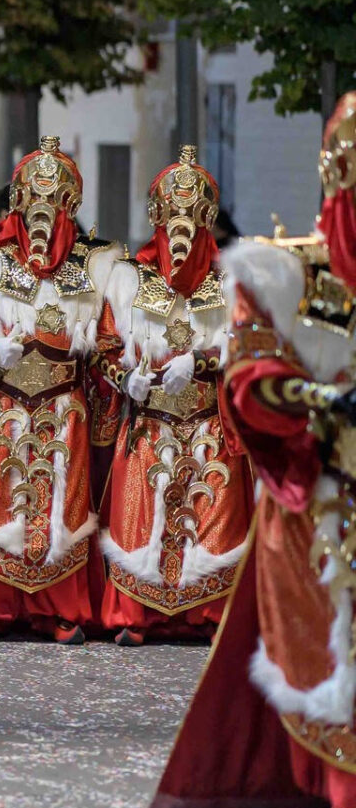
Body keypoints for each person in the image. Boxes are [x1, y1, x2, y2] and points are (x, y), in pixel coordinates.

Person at [138, 92, 356, 808]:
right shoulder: (284, 272)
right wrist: (322, 399)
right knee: (337, 658)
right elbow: (250, 376)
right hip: (324, 497)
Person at [0, 137, 118, 644]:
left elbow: (108, 342)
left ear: (70, 206)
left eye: (54, 203)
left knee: (60, 504)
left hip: (64, 406)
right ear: (17, 202)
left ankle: (60, 608)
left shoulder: (94, 264)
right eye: (34, 201)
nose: (42, 214)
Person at [94, 147, 249, 645]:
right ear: (157, 220)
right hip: (150, 421)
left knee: (213, 518)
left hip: (208, 422)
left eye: (191, 219)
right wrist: (125, 379)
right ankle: (137, 615)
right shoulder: (128, 280)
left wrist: (199, 362)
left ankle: (208, 614)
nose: (180, 231)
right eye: (171, 218)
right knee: (142, 520)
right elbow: (104, 348)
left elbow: (250, 347)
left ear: (207, 223)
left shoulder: (231, 282)